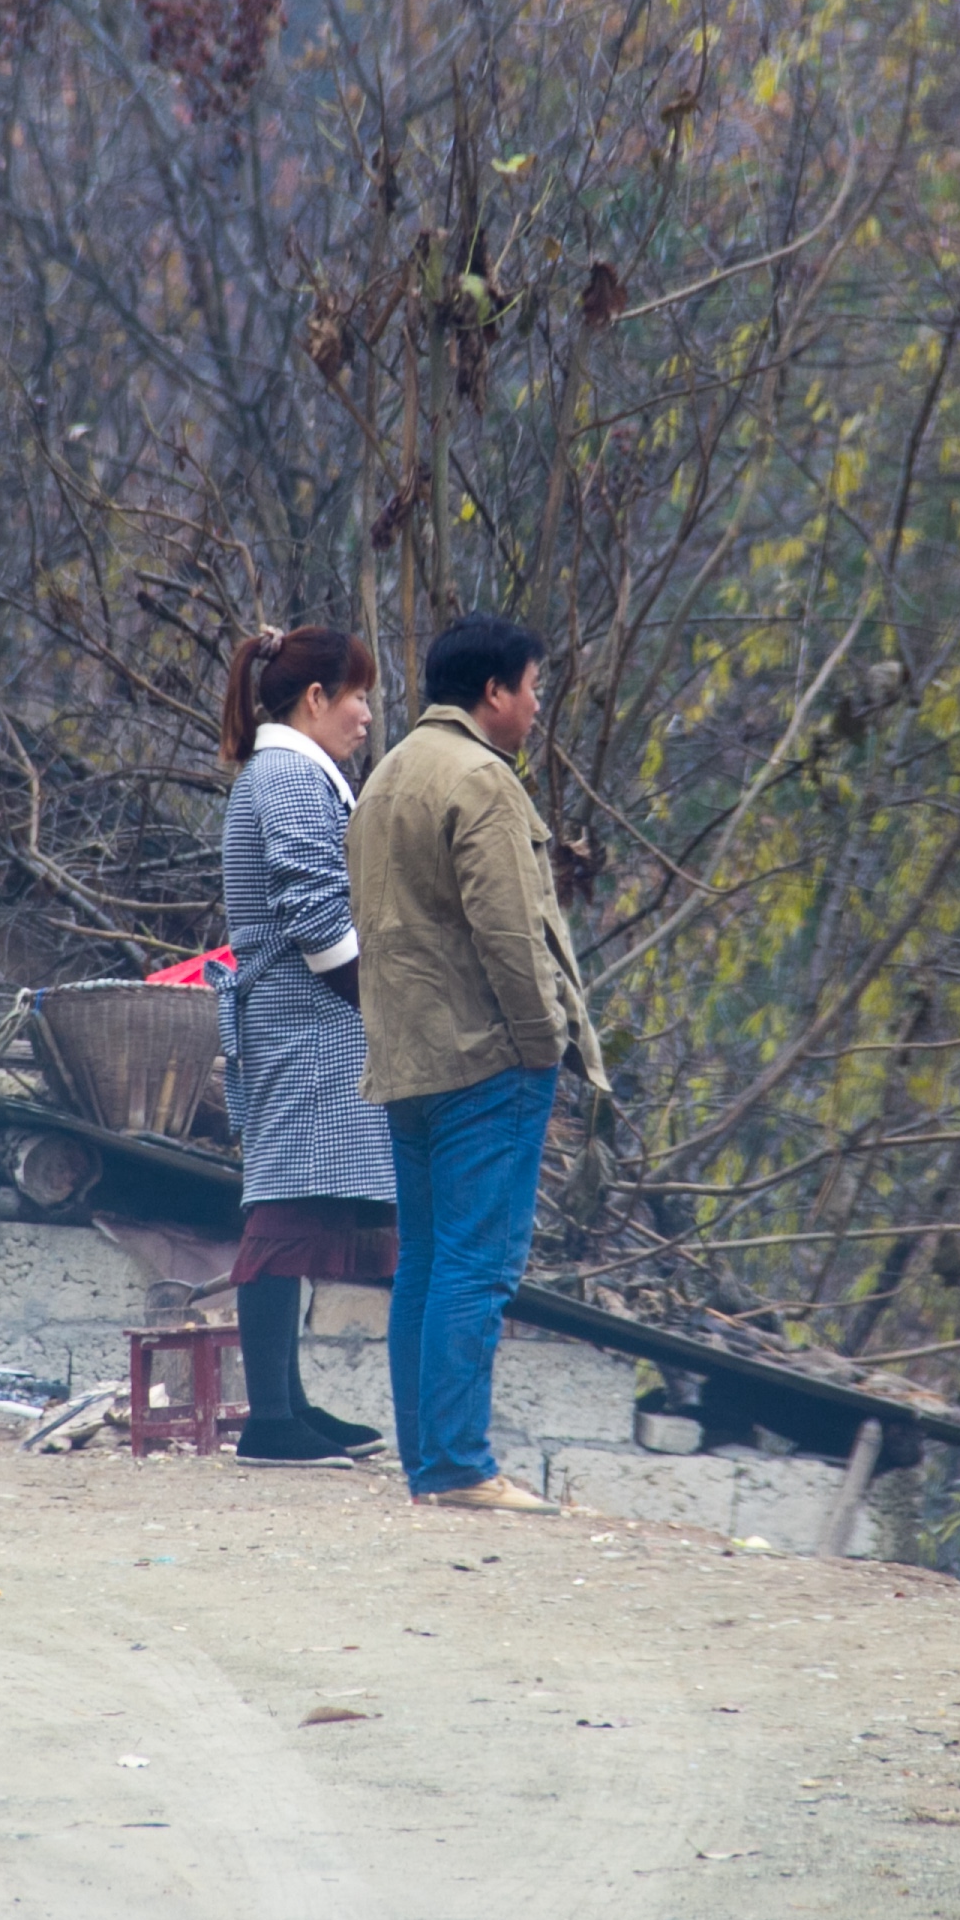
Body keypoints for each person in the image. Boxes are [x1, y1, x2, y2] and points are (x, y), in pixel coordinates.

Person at [347, 609, 605, 1514]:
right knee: (478, 1266)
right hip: (483, 1059)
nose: (537, 708)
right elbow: (510, 934)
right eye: (533, 689)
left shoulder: (384, 778)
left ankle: (432, 1462)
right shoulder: (481, 781)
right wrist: (546, 1044)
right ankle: (458, 1467)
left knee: (424, 1262)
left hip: (405, 1061)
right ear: (493, 691)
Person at [213, 625, 400, 1466]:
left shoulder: (284, 770)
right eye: (357, 695)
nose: (366, 715)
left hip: (303, 1019)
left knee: (292, 1203)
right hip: (305, 1020)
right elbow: (316, 912)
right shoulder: (289, 775)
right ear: (315, 699)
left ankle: (286, 1408)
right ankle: (270, 1422)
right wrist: (379, 1003)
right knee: (281, 1212)